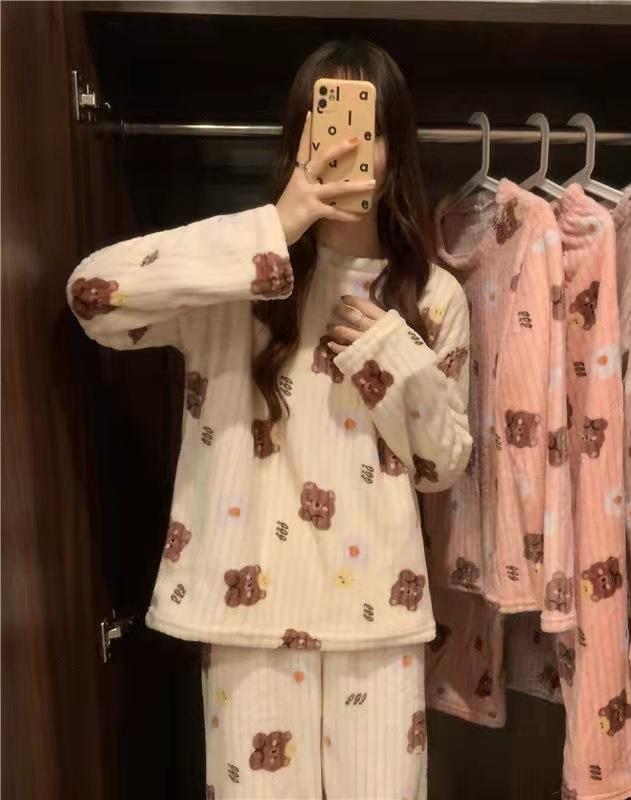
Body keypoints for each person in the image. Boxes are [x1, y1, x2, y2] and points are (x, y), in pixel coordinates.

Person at [66, 39, 471, 800]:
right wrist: (269, 230)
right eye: (328, 123)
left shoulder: (432, 295)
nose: (347, 147)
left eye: (367, 127)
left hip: (378, 621)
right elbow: (92, 296)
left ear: (395, 148)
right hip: (247, 613)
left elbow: (443, 466)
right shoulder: (237, 276)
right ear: (298, 139)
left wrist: (392, 354)